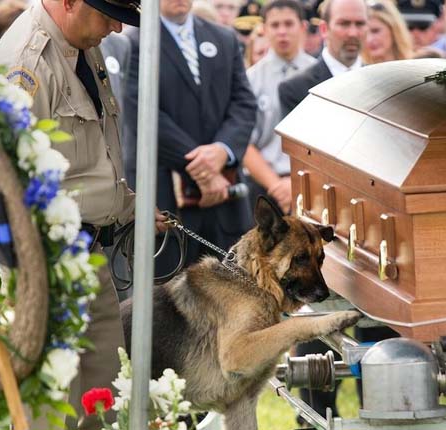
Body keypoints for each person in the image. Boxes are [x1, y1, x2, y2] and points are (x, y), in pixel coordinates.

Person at [0, 1, 167, 428]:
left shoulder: (79, 42)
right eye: (108, 13)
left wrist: (130, 208)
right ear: (68, 2)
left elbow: (84, 164)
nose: (117, 27)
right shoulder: (26, 61)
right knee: (54, 409)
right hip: (43, 265)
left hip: (86, 256)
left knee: (101, 400)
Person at [278, 0, 367, 420]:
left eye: (360, 24)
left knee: (377, 330)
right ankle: (315, 416)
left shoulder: (379, 82)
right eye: (344, 23)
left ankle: (381, 407)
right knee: (319, 328)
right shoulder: (298, 86)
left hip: (371, 232)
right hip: (320, 226)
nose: (353, 32)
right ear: (325, 28)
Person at [123, 0, 256, 277]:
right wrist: (203, 167)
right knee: (169, 305)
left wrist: (222, 150)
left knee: (237, 295)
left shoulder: (224, 38)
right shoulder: (133, 43)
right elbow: (141, 110)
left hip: (225, 199)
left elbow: (243, 104)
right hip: (168, 200)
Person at [244, 0, 316, 215]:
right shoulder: (251, 79)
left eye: (288, 24)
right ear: (264, 30)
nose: (282, 32)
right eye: (275, 25)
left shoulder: (319, 74)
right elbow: (245, 143)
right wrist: (278, 186)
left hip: (314, 184)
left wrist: (298, 183)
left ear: (302, 27)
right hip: (266, 187)